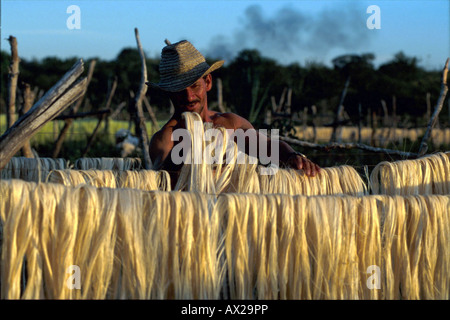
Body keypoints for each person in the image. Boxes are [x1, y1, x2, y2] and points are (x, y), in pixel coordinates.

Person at [147, 40, 320, 185]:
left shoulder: (230, 124)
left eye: (195, 86)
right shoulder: (167, 138)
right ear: (169, 93)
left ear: (207, 82)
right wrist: (189, 150)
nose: (189, 96)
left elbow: (268, 147)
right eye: (179, 90)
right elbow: (162, 177)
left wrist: (293, 156)